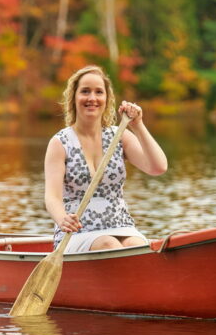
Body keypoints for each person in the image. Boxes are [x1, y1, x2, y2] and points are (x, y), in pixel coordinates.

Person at [45, 65, 167, 253]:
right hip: (77, 232)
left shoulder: (119, 136)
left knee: (137, 246)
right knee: (108, 245)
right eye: (85, 91)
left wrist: (138, 126)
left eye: (98, 92)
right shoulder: (60, 143)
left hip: (122, 226)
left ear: (106, 99)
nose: (92, 98)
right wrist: (62, 218)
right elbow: (52, 197)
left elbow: (158, 167)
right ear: (74, 97)